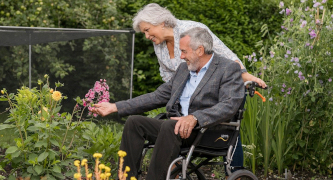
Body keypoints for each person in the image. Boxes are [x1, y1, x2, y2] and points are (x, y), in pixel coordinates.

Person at [92, 27, 245, 179]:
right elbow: (156, 96)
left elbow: (229, 104)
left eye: (184, 51)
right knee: (134, 123)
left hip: (207, 130)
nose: (181, 56)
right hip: (176, 129)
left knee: (170, 125)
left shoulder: (227, 68)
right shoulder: (184, 69)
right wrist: (115, 106)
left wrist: (195, 117)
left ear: (199, 50)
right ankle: (126, 177)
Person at [132, 3, 267, 88]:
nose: (146, 36)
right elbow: (166, 73)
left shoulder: (192, 29)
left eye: (147, 30)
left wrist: (244, 75)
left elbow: (225, 54)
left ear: (161, 22)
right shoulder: (159, 44)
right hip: (185, 97)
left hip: (208, 92)